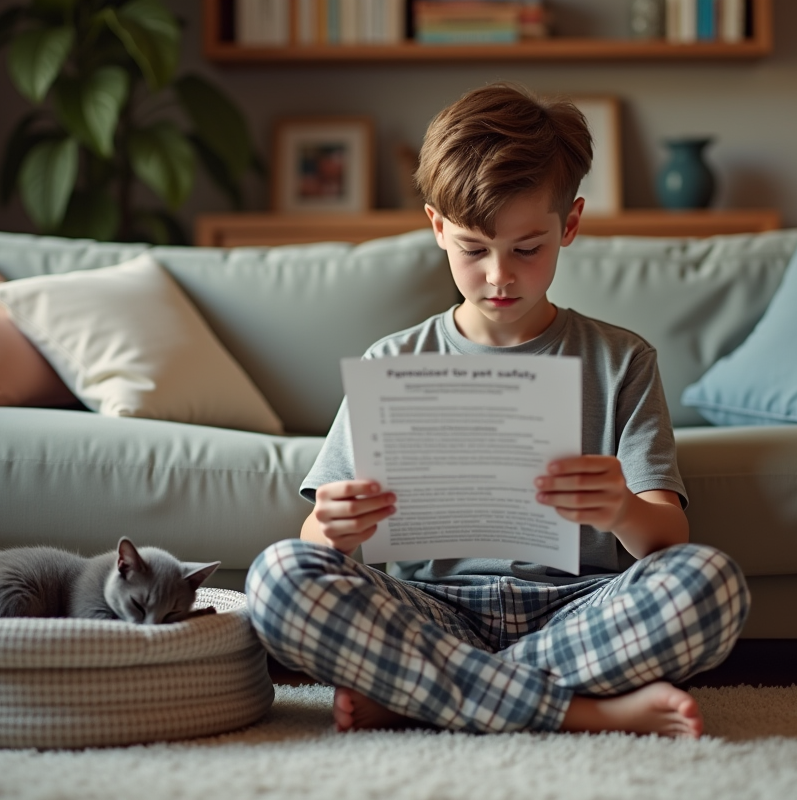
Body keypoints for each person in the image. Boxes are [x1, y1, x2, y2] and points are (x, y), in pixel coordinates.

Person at [246, 83, 749, 738]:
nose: (499, 277)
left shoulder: (623, 361)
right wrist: (334, 529)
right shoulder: (393, 359)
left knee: (712, 586)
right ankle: (581, 712)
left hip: (575, 607)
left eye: (527, 248)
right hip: (429, 611)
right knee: (277, 577)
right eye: (474, 249)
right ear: (436, 228)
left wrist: (622, 510)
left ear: (569, 224)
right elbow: (316, 542)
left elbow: (667, 539)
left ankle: (424, 695)